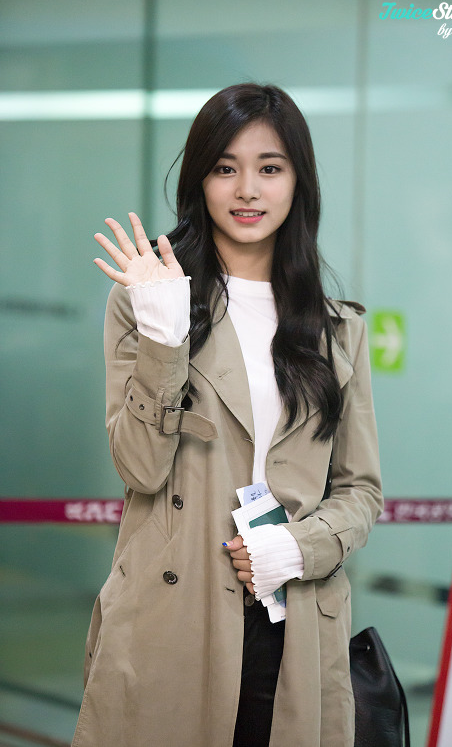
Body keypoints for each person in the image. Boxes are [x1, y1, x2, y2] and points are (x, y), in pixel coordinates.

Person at [71, 83, 383, 747]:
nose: (247, 189)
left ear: (298, 182)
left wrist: (299, 546)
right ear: (199, 180)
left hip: (294, 617)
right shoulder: (146, 301)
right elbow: (139, 469)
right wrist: (164, 337)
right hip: (172, 614)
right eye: (225, 167)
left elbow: (360, 490)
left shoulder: (338, 329)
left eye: (270, 168)